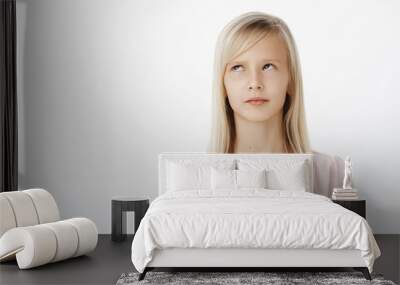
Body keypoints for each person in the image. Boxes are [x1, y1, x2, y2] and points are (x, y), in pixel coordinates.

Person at [206, 11, 344, 197]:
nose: (255, 83)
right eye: (237, 67)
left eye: (268, 66)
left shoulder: (331, 174)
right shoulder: (199, 175)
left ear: (291, 80)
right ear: (223, 84)